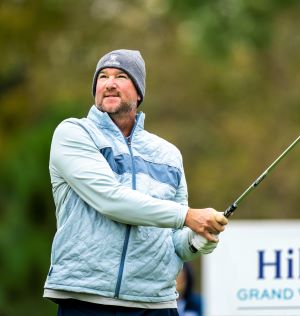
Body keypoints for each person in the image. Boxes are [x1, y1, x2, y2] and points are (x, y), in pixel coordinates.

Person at [43, 49, 228, 316]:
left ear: (139, 92)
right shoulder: (73, 133)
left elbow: (175, 241)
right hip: (86, 299)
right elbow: (110, 200)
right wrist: (187, 216)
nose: (109, 83)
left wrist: (199, 238)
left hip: (155, 303)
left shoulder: (168, 154)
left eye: (121, 76)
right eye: (103, 77)